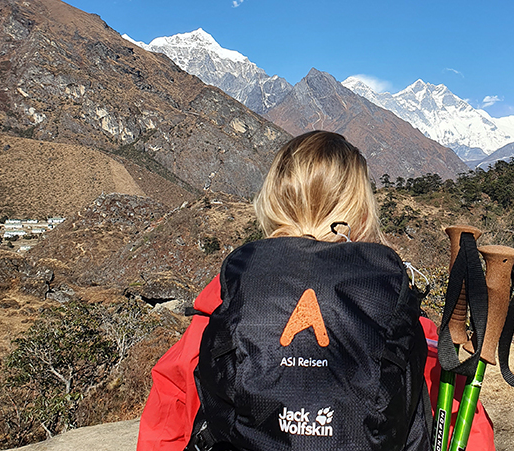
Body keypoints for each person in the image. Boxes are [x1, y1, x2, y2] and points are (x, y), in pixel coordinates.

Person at [136, 131, 495, 450]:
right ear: (362, 210)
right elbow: (460, 418)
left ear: (272, 203)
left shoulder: (230, 298)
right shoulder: (392, 306)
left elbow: (171, 406)